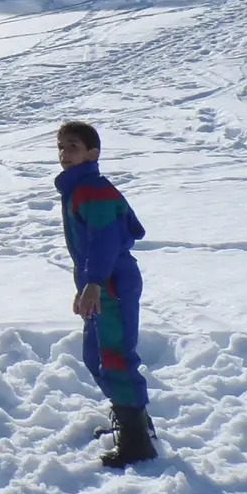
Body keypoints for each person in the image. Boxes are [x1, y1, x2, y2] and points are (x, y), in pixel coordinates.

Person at [54, 119, 157, 469]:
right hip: (100, 284)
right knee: (95, 355)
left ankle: (138, 442)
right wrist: (85, 285)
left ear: (93, 153)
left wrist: (94, 282)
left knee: (114, 356)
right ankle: (134, 422)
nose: (64, 154)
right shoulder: (80, 189)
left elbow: (105, 240)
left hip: (112, 284)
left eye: (73, 147)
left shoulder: (93, 191)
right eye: (61, 147)